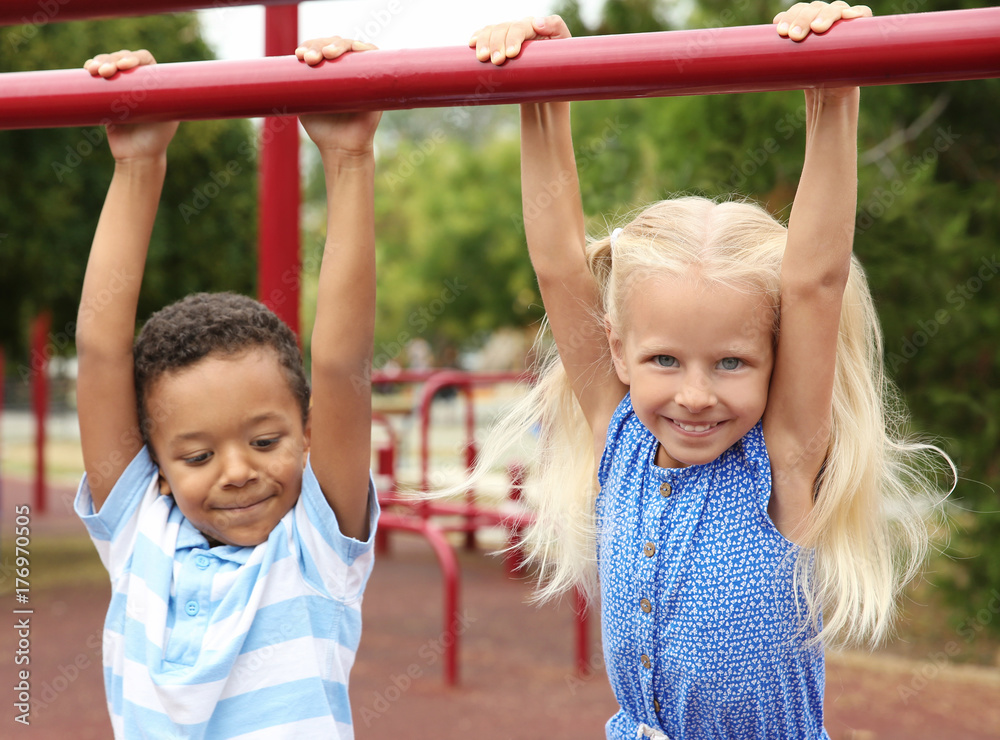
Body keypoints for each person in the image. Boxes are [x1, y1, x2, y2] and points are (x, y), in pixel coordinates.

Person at [469, 3, 953, 738]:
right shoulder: (620, 432)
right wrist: (543, 90)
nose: (695, 395)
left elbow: (815, 281)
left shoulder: (784, 460)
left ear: (775, 361)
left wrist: (833, 89)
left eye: (731, 363)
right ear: (619, 348)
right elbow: (559, 265)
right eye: (665, 360)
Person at [74, 36, 381, 739]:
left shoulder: (315, 541)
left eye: (266, 440)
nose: (239, 472)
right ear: (155, 466)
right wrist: (138, 164)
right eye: (197, 456)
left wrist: (348, 157)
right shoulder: (140, 530)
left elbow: (339, 364)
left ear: (307, 433)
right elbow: (97, 353)